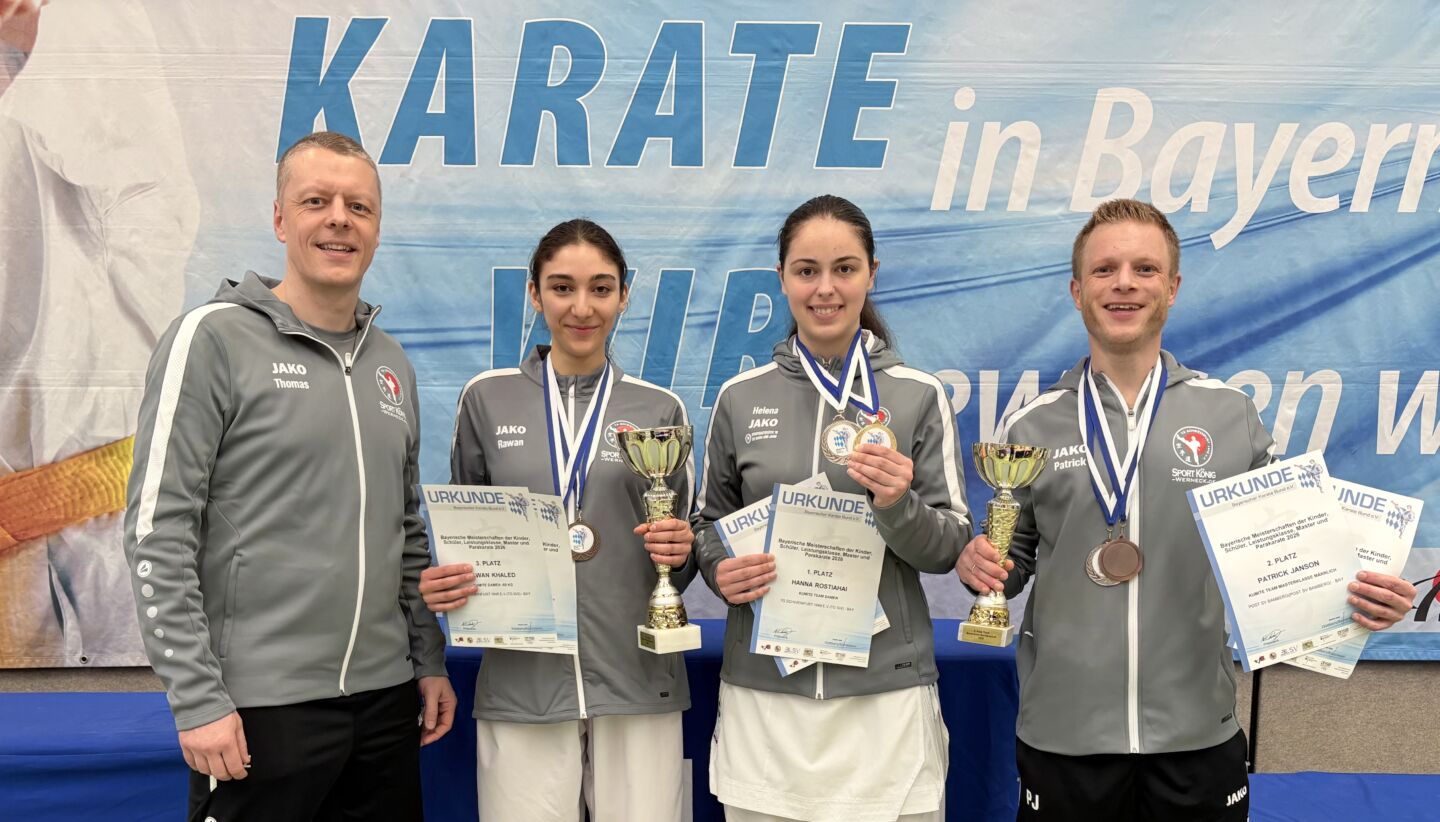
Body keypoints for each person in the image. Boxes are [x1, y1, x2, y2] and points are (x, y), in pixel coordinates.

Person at [955, 198, 1419, 821]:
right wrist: (982, 568)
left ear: (1172, 287)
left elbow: (1286, 555)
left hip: (1197, 733)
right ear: (1076, 290)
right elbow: (1008, 564)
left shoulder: (1229, 415)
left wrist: (1359, 598)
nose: (1124, 283)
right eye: (1105, 269)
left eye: (1145, 269)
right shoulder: (1031, 422)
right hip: (1063, 736)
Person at [123, 131, 455, 821]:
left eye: (358, 206)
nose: (339, 218)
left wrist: (426, 659)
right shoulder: (211, 338)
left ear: (377, 227)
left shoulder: (391, 363)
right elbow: (159, 530)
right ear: (280, 219)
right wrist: (198, 697)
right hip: (257, 712)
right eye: (316, 201)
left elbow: (406, 532)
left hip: (386, 706)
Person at [693, 194, 970, 822]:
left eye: (844, 269)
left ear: (872, 273)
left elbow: (950, 545)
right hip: (768, 696)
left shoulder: (918, 396)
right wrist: (719, 572)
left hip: (885, 699)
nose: (825, 289)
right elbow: (707, 524)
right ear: (783, 277)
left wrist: (897, 503)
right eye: (807, 270)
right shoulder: (739, 399)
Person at [418, 219, 696, 821]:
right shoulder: (486, 399)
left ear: (625, 294)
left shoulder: (659, 409)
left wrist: (684, 547)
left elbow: (684, 555)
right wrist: (448, 579)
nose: (581, 307)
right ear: (534, 292)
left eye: (600, 288)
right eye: (562, 287)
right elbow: (468, 531)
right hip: (524, 681)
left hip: (638, 677)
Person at [1, 0, 196, 668]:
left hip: (96, 514)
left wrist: (32, 29)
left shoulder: (95, 24)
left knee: (125, 733)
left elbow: (154, 236)